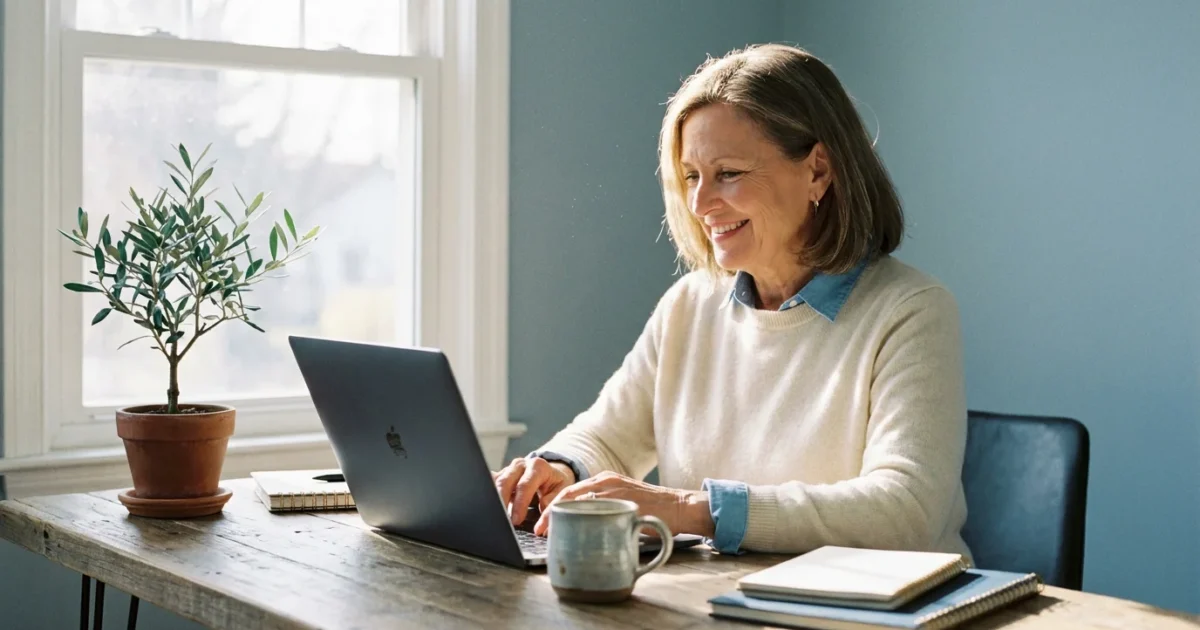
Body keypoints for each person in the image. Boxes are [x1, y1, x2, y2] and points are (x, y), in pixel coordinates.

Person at [494, 43, 972, 559]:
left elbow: (906, 510)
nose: (700, 204)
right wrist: (559, 465)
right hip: (724, 600)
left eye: (729, 173)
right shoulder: (689, 304)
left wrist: (688, 509)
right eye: (692, 176)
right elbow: (609, 435)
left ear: (817, 171)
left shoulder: (911, 311)